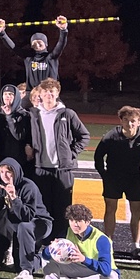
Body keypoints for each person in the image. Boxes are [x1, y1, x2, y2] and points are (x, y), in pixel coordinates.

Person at [27, 78, 90, 240]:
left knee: (63, 208)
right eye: (45, 91)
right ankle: (45, 240)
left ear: (57, 93)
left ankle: (61, 240)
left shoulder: (67, 114)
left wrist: (71, 154)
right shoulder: (33, 114)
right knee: (44, 207)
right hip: (41, 169)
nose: (49, 94)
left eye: (52, 91)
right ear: (40, 94)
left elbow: (84, 136)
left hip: (62, 170)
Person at [94, 106, 140, 259]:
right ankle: (108, 244)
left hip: (134, 179)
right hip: (113, 178)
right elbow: (98, 156)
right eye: (126, 120)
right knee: (110, 208)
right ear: (121, 121)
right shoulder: (111, 136)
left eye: (133, 121)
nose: (129, 124)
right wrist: (104, 175)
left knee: (137, 211)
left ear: (139, 122)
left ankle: (136, 246)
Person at [39, 204, 120, 279]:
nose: (75, 224)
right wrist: (51, 249)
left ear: (88, 222)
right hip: (76, 268)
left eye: (79, 221)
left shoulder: (101, 239)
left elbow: (106, 270)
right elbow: (45, 256)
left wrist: (84, 259)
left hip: (95, 271)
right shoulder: (67, 232)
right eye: (71, 220)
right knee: (47, 257)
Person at [0, 16, 68, 89]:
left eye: (40, 42)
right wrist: (2, 33)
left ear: (46, 44)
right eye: (34, 43)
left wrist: (63, 30)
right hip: (32, 95)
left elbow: (61, 44)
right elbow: (13, 47)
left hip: (49, 94)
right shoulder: (28, 58)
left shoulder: (51, 57)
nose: (37, 44)